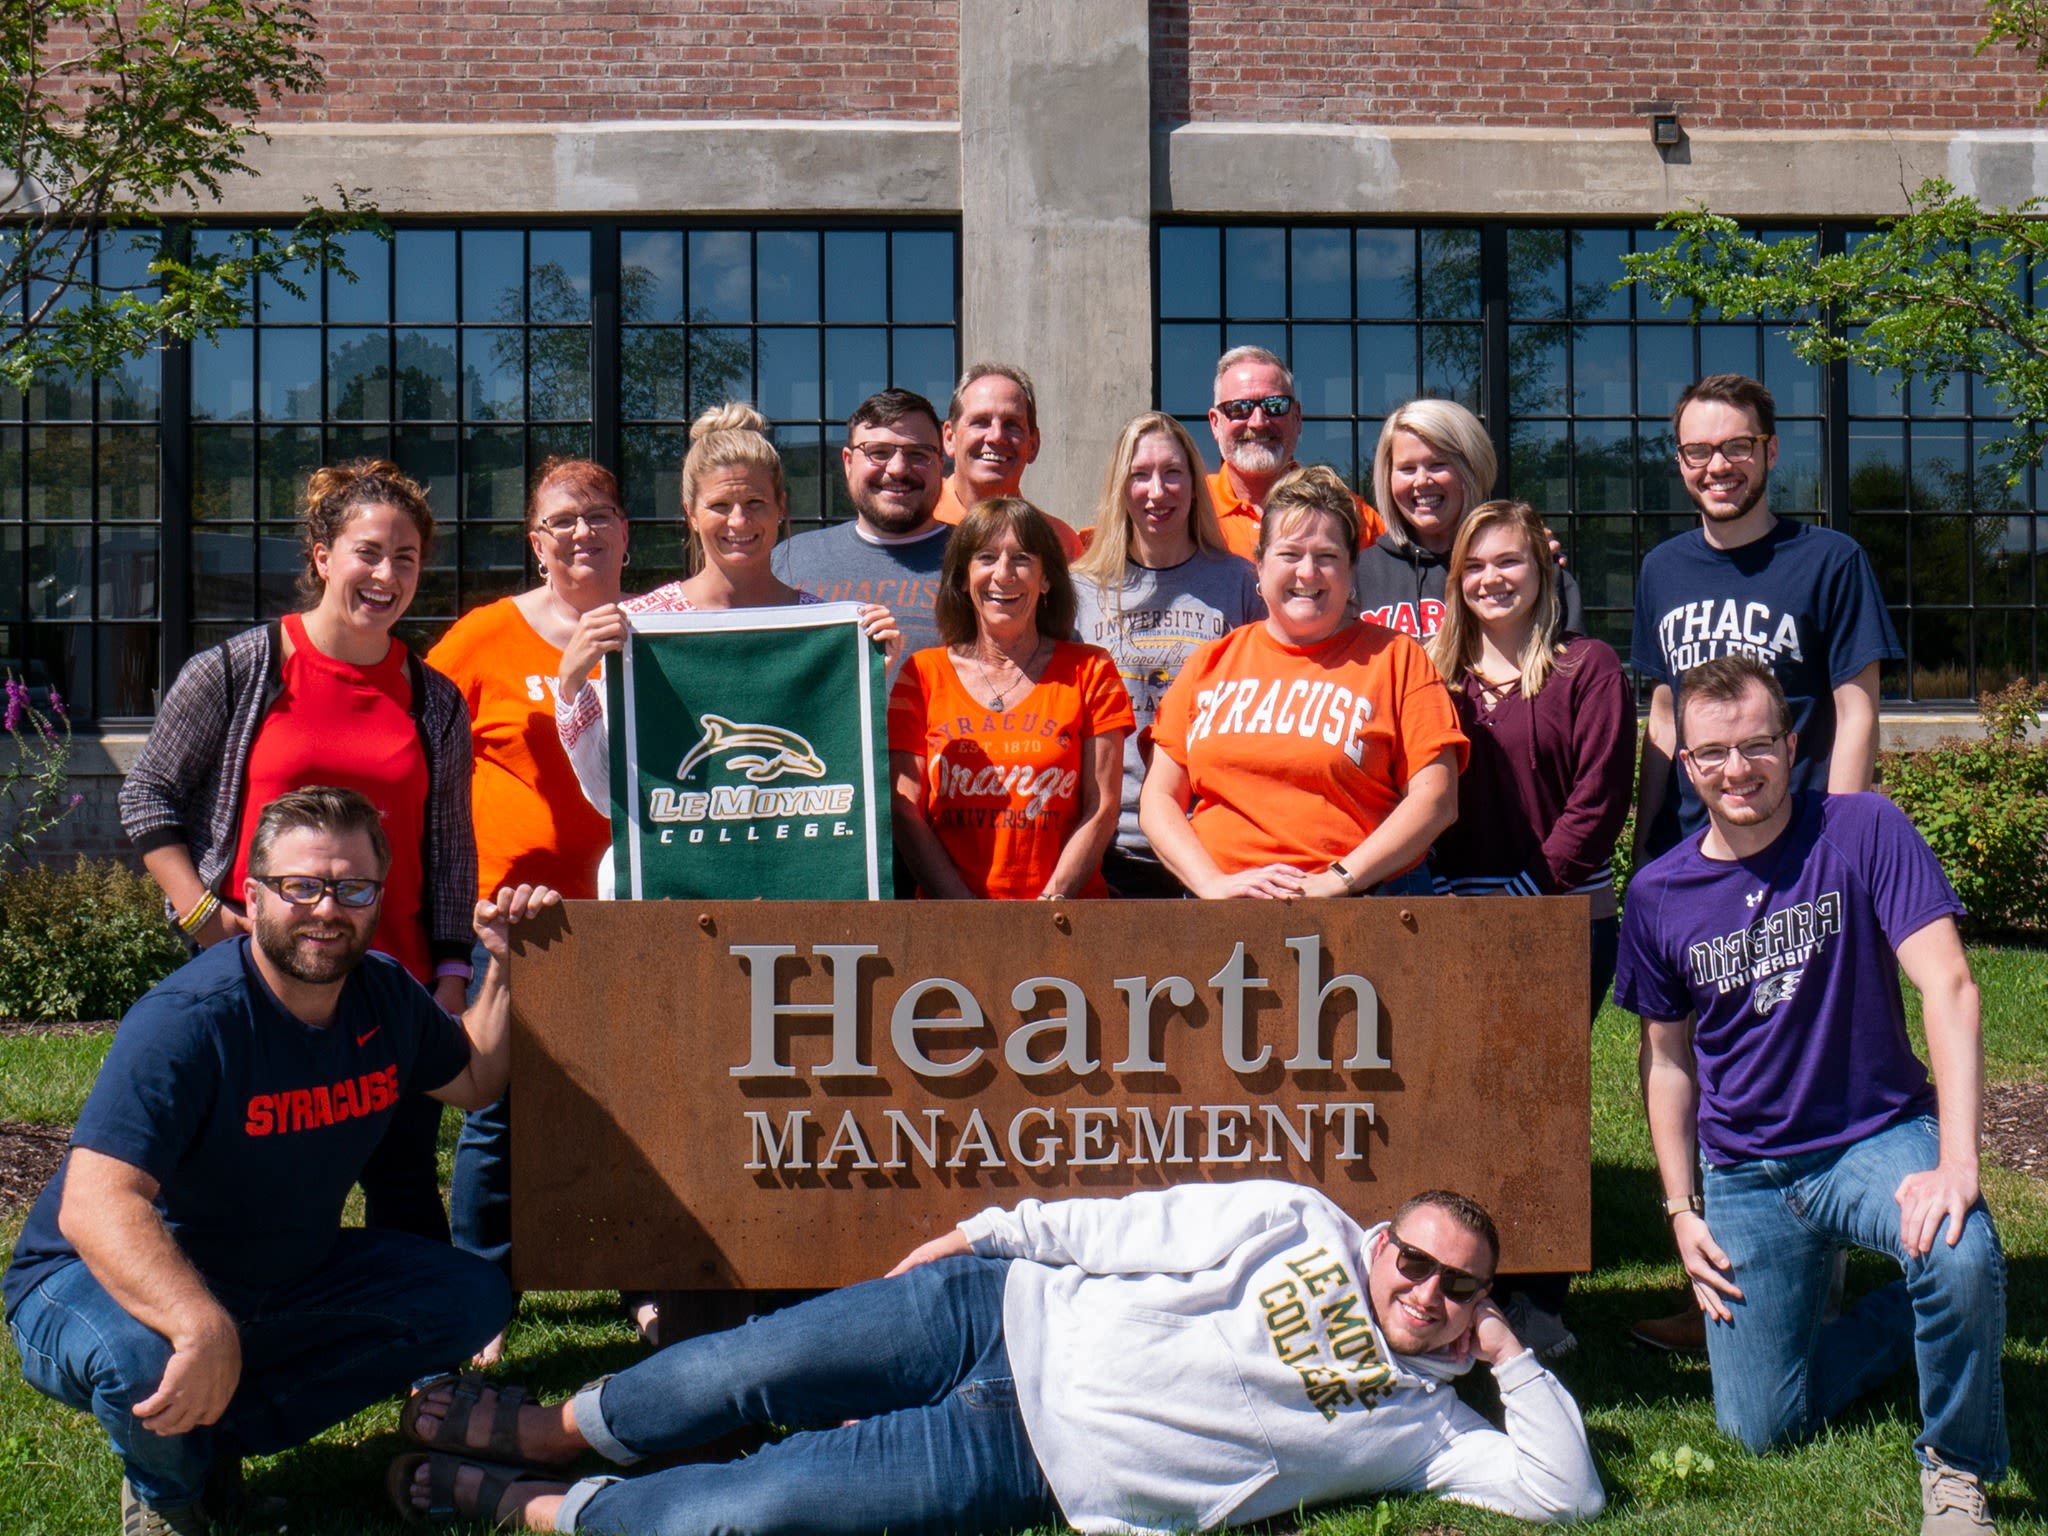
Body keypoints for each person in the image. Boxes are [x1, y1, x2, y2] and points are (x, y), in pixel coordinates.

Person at [388, 1182, 1605, 1532]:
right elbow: (1136, 1221)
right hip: (995, 1312)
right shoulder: (1298, 1221)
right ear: (1382, 1236)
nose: (1425, 1293)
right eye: (1417, 1262)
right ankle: (554, 1425)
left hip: (1020, 1463)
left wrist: (1504, 1357)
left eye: (1459, 1290)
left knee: (753, 1512)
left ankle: (552, 1509)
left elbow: (1564, 1491)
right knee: (734, 1370)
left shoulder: (1430, 1426)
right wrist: (987, 1232)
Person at [5, 787, 558, 1536]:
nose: (327, 909)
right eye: (301, 886)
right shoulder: (189, 1022)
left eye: (351, 888)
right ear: (254, 892)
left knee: (468, 1299)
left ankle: (205, 1438)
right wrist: (201, 1325)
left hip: (276, 1274)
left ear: (376, 898)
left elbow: (475, 1079)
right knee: (146, 1355)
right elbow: (95, 1204)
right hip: (85, 1277)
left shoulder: (382, 994)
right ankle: (172, 1501)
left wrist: (506, 963)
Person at [1615, 653, 2006, 1536]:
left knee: (1962, 1250)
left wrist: (1955, 1160)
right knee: (1760, 1432)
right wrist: (1682, 1209)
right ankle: (1907, 1320)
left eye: (1757, 744)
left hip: (1874, 1138)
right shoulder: (1658, 894)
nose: (1737, 768)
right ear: (1686, 765)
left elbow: (1949, 987)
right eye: (1712, 753)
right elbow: (1666, 1061)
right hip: (1747, 1173)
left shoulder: (1862, 828)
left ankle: (1955, 1468)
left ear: (1794, 744)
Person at [118, 458, 477, 1244]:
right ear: (322, 556)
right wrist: (205, 914)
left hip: (394, 988)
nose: (387, 575)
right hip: (259, 983)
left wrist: (450, 976)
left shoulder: (435, 700)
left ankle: (427, 1362)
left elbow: (450, 852)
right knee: (235, 1192)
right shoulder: (238, 670)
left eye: (407, 558)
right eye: (369, 552)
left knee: (407, 1193)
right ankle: (232, 1339)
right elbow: (146, 795)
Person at [1628, 372, 1901, 1355]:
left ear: (1769, 451)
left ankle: (1807, 1279)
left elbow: (1856, 701)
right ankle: (1714, 1277)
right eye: (1696, 451)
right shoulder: (1661, 569)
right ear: (1678, 460)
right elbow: (1661, 711)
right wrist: (1652, 838)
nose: (1715, 466)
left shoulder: (1826, 559)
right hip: (1693, 856)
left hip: (1802, 849)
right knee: (1699, 1058)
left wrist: (1850, 834)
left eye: (1733, 446)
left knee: (1803, 1043)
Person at [1424, 498, 1634, 1359]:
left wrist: (1529, 883)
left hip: (1562, 916)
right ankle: (1460, 1285)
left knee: (1539, 1108)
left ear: (1542, 571)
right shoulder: (1432, 676)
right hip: (1455, 916)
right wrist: (1435, 886)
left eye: (1508, 561)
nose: (1492, 579)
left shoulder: (1588, 668)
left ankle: (1538, 1302)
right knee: (1464, 1106)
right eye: (1475, 566)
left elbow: (1600, 796)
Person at [425, 456, 625, 1359]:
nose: (583, 533)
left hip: (625, 914)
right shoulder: (483, 637)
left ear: (627, 532)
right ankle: (483, 1300)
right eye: (562, 521)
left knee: (630, 1105)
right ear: (536, 542)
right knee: (496, 1113)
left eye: (600, 516)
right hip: (511, 918)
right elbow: (421, 749)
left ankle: (642, 1273)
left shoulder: (656, 628)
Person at [1140, 465, 1465, 901]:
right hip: (1218, 918)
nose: (1307, 573)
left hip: (1359, 912)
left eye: (1327, 557)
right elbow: (1158, 798)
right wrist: (1210, 883)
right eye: (1290, 554)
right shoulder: (1210, 663)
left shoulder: (1397, 660)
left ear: (1352, 570)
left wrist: (1339, 879)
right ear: (1259, 565)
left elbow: (1436, 799)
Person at [555, 403, 898, 814]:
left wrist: (875, 666)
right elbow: (610, 791)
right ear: (691, 515)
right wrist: (572, 680)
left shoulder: (827, 628)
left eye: (755, 502)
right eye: (720, 506)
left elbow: (843, 769)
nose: (738, 521)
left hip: (792, 865)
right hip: (682, 867)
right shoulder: (644, 625)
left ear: (781, 507)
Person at [888, 499, 1133, 900]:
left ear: (1046, 579)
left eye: (1021, 559)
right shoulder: (921, 675)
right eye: (985, 557)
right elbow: (905, 810)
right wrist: (967, 914)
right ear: (963, 579)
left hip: (1067, 927)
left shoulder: (1091, 671)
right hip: (951, 927)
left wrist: (1048, 910)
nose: (1003, 574)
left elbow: (1102, 809)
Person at [1069, 412, 1263, 897]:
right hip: (1110, 846)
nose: (1157, 491)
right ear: (1120, 487)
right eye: (1140, 475)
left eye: (1173, 473)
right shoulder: (1081, 588)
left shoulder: (1239, 582)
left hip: (1213, 840)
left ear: (1195, 485)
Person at [1355, 399, 1583, 640]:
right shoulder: (1355, 575)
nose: (1421, 481)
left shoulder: (1529, 569)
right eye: (1407, 469)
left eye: (1438, 465)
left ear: (1472, 468)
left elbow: (1574, 669)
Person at [775, 388, 953, 668]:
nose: (897, 468)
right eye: (878, 452)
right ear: (847, 462)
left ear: (940, 465)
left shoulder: (980, 561)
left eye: (918, 454)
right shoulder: (790, 560)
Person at [1205, 346, 1384, 560]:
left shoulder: (1350, 515)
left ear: (1297, 417)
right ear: (1215, 424)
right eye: (1239, 408)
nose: (1258, 422)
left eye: (1275, 406)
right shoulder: (1191, 507)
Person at [931, 361, 1085, 559]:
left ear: (1033, 444)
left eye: (1012, 424)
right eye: (980, 422)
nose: (996, 436)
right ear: (949, 438)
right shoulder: (915, 526)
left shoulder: (1059, 544)